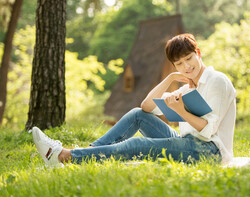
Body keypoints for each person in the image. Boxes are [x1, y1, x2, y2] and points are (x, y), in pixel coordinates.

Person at [32, 33, 237, 166]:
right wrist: (169, 79)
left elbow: (209, 129)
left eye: (189, 59)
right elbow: (146, 107)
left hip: (210, 152)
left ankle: (64, 157)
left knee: (136, 144)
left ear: (198, 53)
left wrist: (181, 111)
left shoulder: (216, 81)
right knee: (137, 115)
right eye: (179, 63)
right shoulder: (186, 88)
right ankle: (87, 154)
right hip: (187, 142)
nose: (186, 67)